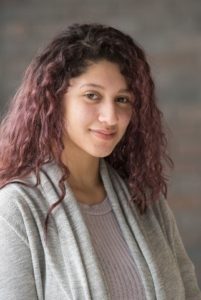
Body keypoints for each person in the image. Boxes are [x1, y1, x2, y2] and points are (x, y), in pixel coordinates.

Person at [0, 23, 200, 300]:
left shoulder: (144, 199)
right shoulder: (16, 208)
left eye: (122, 99)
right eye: (92, 96)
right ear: (54, 100)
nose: (110, 117)